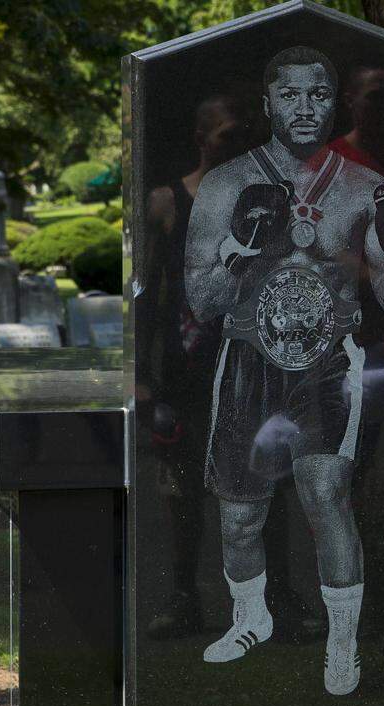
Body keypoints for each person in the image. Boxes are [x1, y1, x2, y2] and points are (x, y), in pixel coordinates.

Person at [184, 45, 384, 696]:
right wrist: (240, 249)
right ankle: (250, 616)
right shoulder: (224, 183)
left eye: (318, 94)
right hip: (246, 357)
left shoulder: (365, 187)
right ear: (268, 104)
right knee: (239, 517)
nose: (304, 107)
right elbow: (200, 300)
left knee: (325, 495)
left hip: (327, 360)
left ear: (334, 100)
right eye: (289, 95)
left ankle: (343, 645)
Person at [135, 92, 250, 638]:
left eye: (241, 135)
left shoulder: (266, 199)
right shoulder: (167, 202)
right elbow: (146, 294)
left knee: (259, 486)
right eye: (225, 134)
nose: (235, 145)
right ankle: (184, 598)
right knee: (181, 491)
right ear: (202, 138)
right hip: (186, 369)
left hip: (251, 367)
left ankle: (272, 598)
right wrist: (139, 375)